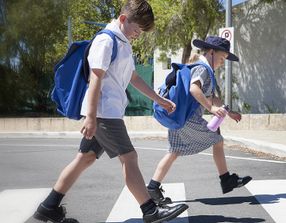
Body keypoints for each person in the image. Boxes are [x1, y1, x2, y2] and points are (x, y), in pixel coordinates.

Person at [33, 1, 188, 223]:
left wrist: (160, 99)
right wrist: (91, 117)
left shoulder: (123, 42)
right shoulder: (106, 41)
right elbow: (95, 79)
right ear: (124, 19)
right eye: (137, 30)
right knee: (130, 157)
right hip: (104, 113)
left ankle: (48, 206)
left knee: (84, 159)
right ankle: (150, 210)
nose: (138, 35)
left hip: (107, 111)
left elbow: (133, 77)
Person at [147, 36, 252, 205]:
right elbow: (194, 88)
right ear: (211, 52)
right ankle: (226, 179)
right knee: (217, 140)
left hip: (178, 116)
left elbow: (211, 96)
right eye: (221, 58)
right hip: (188, 118)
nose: (222, 62)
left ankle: (152, 187)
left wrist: (229, 112)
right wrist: (211, 109)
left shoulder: (201, 68)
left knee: (173, 151)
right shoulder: (202, 68)